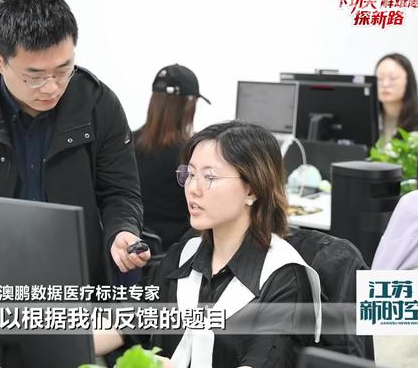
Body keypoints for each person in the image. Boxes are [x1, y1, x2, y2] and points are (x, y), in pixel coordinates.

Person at [0, 0, 148, 286]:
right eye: (34, 77)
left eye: (63, 70)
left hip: (74, 280)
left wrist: (122, 229)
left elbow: (120, 192)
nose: (51, 87)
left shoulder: (98, 105)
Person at [95, 121, 321, 368]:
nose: (193, 189)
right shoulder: (183, 256)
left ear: (252, 190)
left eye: (209, 177)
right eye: (190, 174)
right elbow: (126, 321)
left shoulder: (284, 279)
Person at [134, 64, 209, 250]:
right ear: (188, 104)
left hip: (132, 246)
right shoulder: (191, 154)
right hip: (176, 252)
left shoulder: (125, 144)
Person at [375, 53, 418, 142]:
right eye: (380, 78)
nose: (385, 84)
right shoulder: (368, 120)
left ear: (408, 81)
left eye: (393, 78)